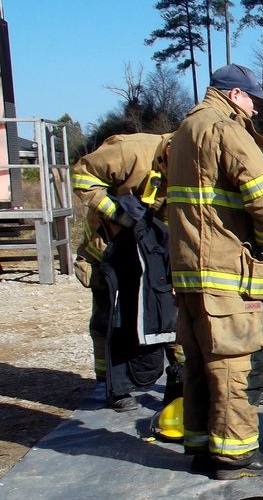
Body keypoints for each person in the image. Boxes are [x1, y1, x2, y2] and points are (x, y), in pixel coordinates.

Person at [167, 64, 263, 480]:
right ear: (235, 94)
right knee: (236, 362)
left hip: (188, 271)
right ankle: (234, 457)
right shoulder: (225, 129)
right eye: (252, 98)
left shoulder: (183, 130)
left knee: (199, 363)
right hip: (224, 270)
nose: (255, 108)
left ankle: (203, 447)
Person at [71, 132, 182, 411]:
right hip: (109, 247)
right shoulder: (130, 150)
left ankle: (180, 380)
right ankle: (111, 385)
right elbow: (81, 176)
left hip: (150, 251)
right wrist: (117, 214)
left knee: (166, 314)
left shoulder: (188, 163)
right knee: (110, 318)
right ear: (168, 151)